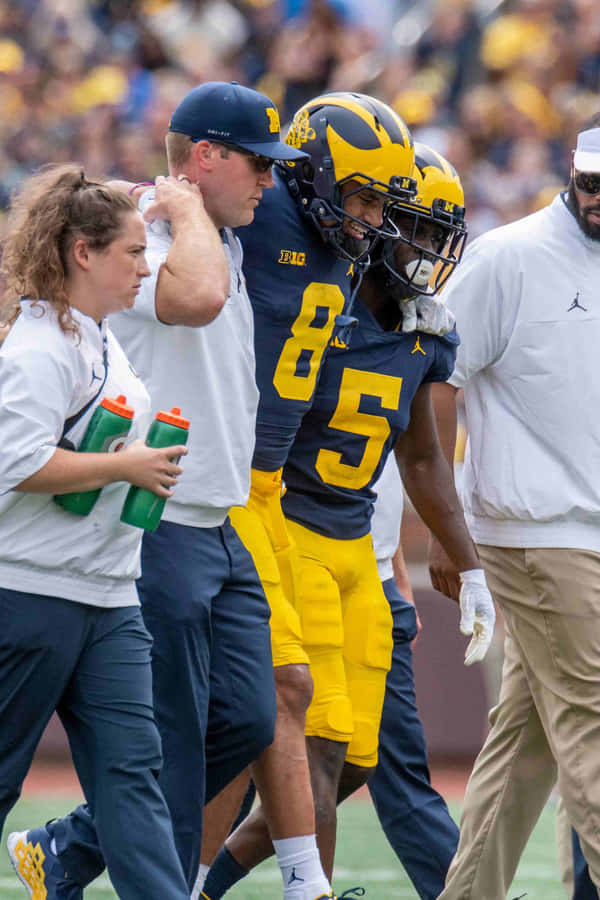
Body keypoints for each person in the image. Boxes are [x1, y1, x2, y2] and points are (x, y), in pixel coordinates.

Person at [12, 81, 307, 898]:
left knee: (246, 717)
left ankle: (67, 848)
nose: (268, 182)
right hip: (160, 517)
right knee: (167, 738)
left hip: (219, 515)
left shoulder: (215, 230)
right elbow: (197, 300)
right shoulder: (140, 231)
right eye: (257, 163)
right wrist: (183, 212)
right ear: (204, 157)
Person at [202, 143, 495, 896]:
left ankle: (166, 871)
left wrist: (466, 564)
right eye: (417, 231)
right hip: (288, 530)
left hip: (354, 546)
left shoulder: (421, 328)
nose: (428, 253)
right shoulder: (315, 302)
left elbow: (424, 457)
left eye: (439, 236)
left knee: (354, 762)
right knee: (316, 746)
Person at [198, 91, 419, 900]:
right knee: (271, 696)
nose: (368, 219)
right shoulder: (255, 216)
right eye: (358, 195)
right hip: (224, 484)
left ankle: (103, 856)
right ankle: (296, 885)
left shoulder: (345, 245)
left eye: (379, 203)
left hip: (269, 491)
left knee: (280, 714)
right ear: (311, 173)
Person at [0, 164, 191, 900]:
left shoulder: (100, 339)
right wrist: (129, 468)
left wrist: (125, 466)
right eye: (134, 252)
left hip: (109, 597)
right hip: (28, 595)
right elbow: (16, 462)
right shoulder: (37, 348)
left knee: (133, 781)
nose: (147, 266)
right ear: (83, 252)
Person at [430, 119, 600, 899]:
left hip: (581, 521)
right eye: (590, 183)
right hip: (537, 527)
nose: (598, 200)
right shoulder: (509, 256)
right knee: (593, 723)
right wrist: (445, 528)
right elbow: (436, 377)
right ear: (572, 174)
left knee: (530, 739)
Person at [367, 454, 460, 900]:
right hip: (304, 573)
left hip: (376, 580)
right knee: (248, 747)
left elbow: (374, 478)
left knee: (393, 763)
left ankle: (462, 891)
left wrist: (397, 576)